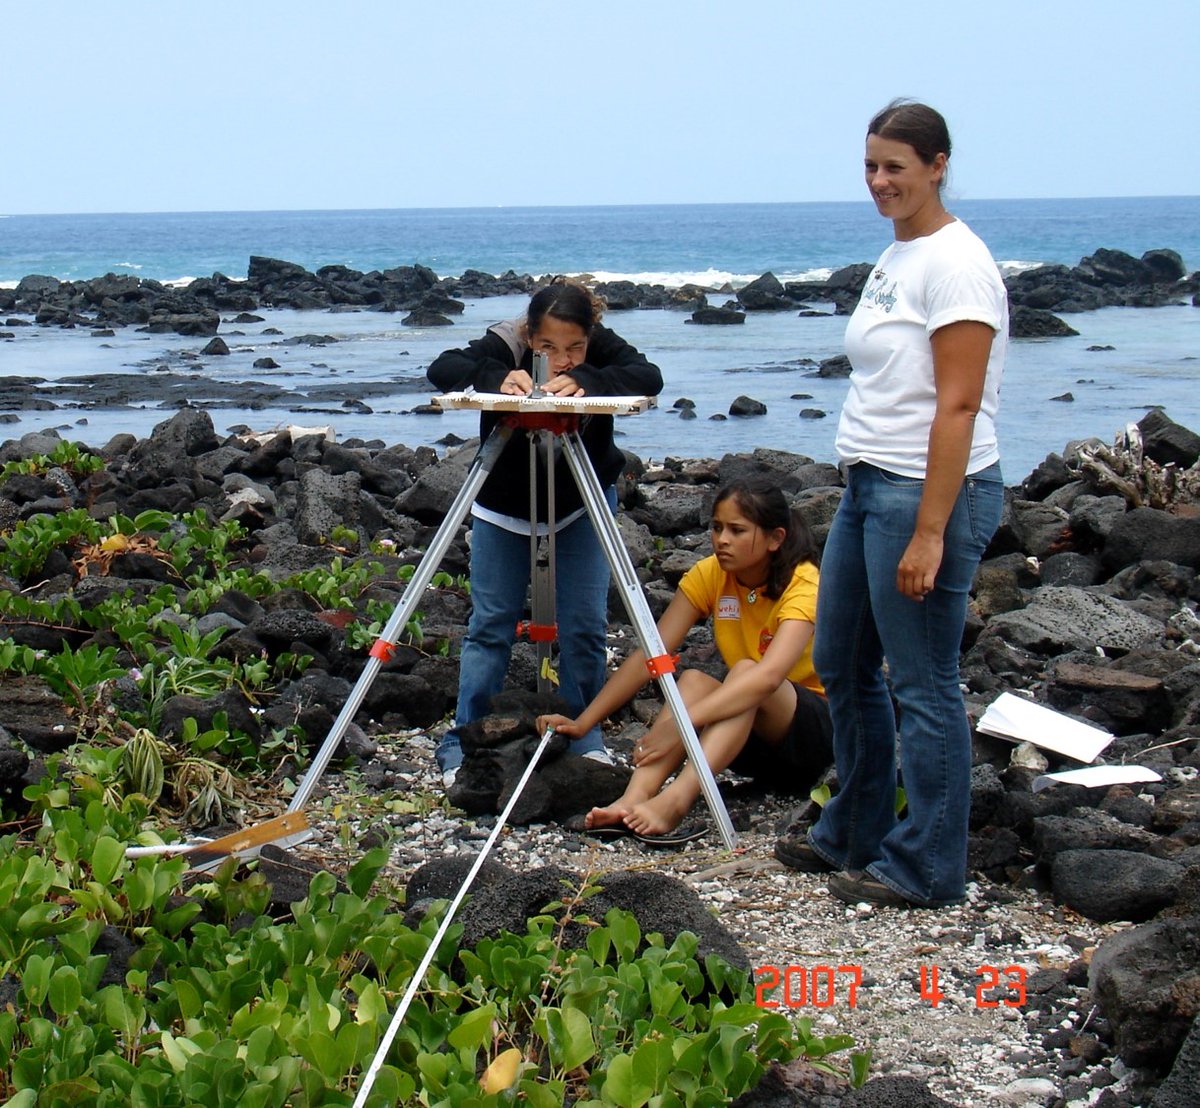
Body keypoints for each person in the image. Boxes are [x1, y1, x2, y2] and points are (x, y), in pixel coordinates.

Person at [774, 100, 1007, 908]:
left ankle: (929, 868)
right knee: (839, 659)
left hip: (926, 491)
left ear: (938, 164)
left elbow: (959, 404)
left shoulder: (958, 263)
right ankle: (855, 828)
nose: (879, 182)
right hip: (869, 483)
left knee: (923, 683)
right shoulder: (898, 255)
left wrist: (932, 533)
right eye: (871, 166)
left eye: (896, 168)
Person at [427, 278, 663, 787]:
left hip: (581, 501)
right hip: (502, 505)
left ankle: (586, 736)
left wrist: (591, 380)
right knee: (491, 625)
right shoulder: (506, 338)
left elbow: (648, 375)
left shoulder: (595, 347)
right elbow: (442, 368)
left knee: (584, 626)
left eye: (574, 346)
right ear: (530, 334)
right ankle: (465, 739)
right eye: (549, 347)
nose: (562, 358)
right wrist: (500, 377)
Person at [538, 477, 832, 840]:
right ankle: (634, 798)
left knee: (746, 673)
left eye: (737, 531)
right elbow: (652, 652)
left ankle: (677, 799)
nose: (722, 539)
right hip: (745, 740)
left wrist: (679, 723)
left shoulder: (804, 582)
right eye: (717, 527)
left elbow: (769, 678)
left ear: (775, 539)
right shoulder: (712, 573)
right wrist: (584, 722)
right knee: (692, 680)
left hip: (815, 736)